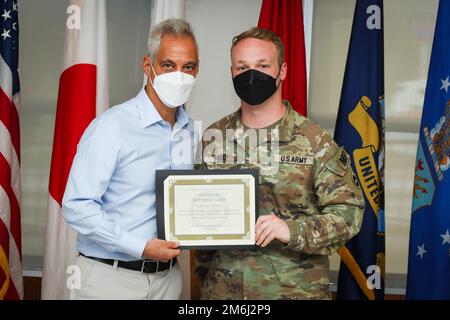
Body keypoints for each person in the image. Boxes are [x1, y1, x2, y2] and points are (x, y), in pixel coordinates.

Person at [194, 27, 365, 300]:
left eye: (263, 65)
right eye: (242, 67)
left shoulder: (314, 141)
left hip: (294, 292)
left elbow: (349, 214)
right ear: (232, 72)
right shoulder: (214, 138)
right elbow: (200, 215)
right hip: (224, 293)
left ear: (282, 71)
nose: (252, 75)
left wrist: (290, 230)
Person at [62, 19, 199, 300]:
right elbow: (76, 206)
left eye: (188, 67)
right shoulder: (112, 126)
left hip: (168, 280)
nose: (179, 75)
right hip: (108, 280)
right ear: (148, 66)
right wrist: (140, 247)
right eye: (168, 65)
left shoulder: (190, 131)